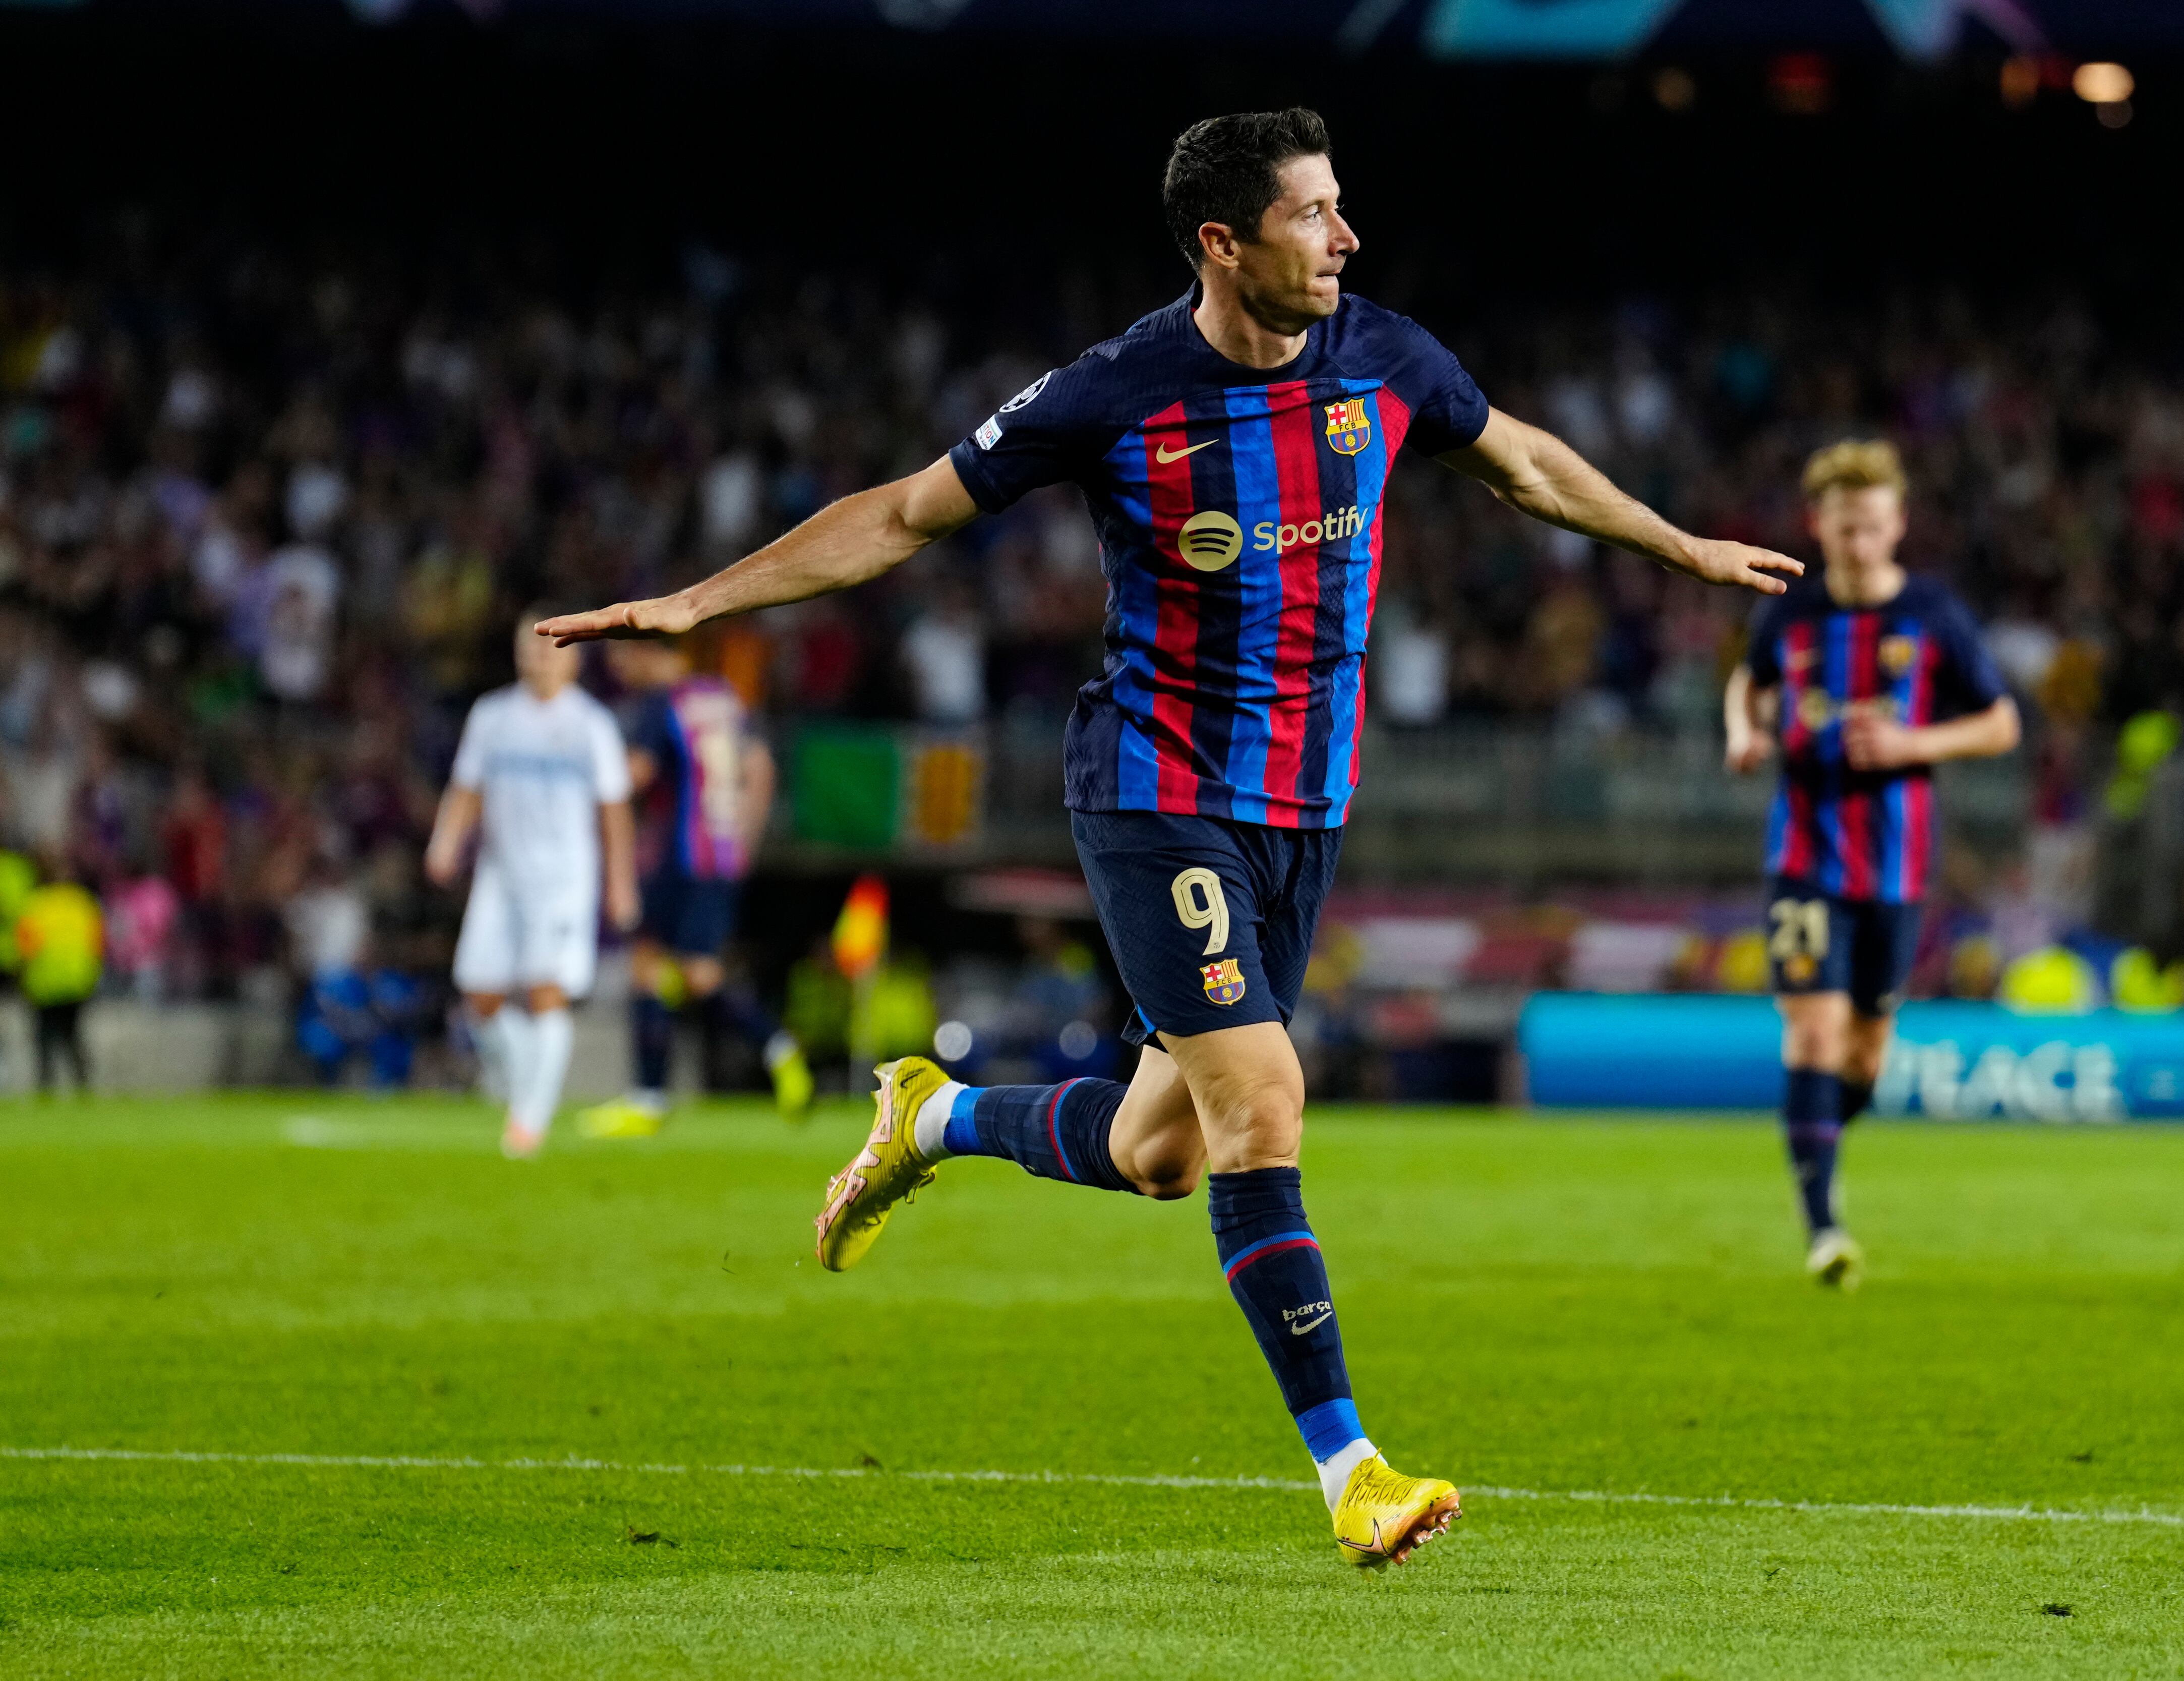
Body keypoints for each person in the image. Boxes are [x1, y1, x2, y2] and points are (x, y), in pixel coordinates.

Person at [541, 107, 1798, 1567]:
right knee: (1264, 1100)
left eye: (1340, 209)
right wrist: (705, 601)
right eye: (1313, 215)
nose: (1345, 239)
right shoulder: (1117, 391)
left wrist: (1686, 547)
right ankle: (1355, 1470)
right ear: (1224, 240)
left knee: (1161, 1152)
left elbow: (1526, 464)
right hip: (1156, 789)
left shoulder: (1386, 358)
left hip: (1301, 811)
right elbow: (902, 514)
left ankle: (933, 1115)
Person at [1724, 441, 2020, 1288]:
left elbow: (2001, 723)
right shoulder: (1792, 611)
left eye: (1876, 527)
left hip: (1896, 867)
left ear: (1899, 526)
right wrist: (1742, 732)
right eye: (1847, 528)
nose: (1860, 543)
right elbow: (1747, 682)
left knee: (1863, 1058)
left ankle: (1814, 1139)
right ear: (1821, 524)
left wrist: (1912, 742)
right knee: (1812, 1029)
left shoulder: (1933, 613)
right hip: (1805, 854)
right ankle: (1824, 1226)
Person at [573, 639, 812, 1136]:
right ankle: (766, 1052)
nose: (617, 667)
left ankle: (657, 1097)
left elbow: (635, 774)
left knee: (671, 969)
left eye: (621, 654)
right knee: (677, 971)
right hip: (720, 855)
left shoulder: (663, 702)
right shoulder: (722, 697)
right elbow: (761, 769)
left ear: (647, 651)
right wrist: (741, 839)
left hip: (679, 857)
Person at [425, 612, 640, 1158]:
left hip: (563, 878)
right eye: (530, 645)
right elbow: (467, 787)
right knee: (479, 993)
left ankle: (528, 1120)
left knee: (547, 992)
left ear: (572, 656)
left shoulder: (590, 724)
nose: (539, 655)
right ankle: (525, 1086)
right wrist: (446, 842)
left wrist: (620, 882)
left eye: (550, 646)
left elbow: (613, 811)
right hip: (501, 874)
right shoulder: (493, 716)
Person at [17, 856, 104, 1095]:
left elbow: (26, 948)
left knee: (45, 1040)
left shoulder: (35, 906)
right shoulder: (84, 903)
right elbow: (98, 944)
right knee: (73, 1036)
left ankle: (46, 1089)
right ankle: (83, 1088)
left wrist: (22, 978)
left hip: (44, 983)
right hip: (78, 981)